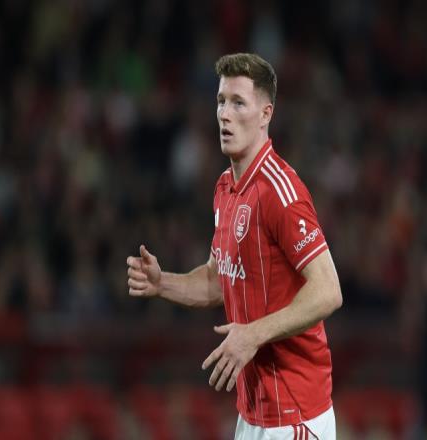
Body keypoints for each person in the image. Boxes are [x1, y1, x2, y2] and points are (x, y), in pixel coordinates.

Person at [127, 53, 343, 439]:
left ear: (265, 114)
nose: (225, 114)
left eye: (238, 103)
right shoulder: (225, 188)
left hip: (295, 415)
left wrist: (253, 334)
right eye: (221, 101)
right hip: (254, 413)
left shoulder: (281, 192)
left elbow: (328, 290)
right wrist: (163, 283)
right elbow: (217, 280)